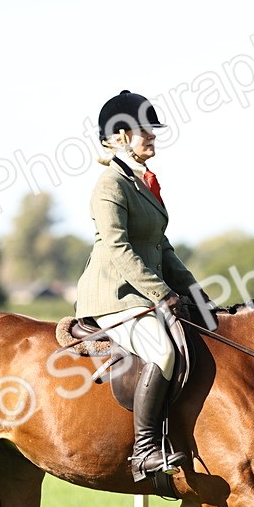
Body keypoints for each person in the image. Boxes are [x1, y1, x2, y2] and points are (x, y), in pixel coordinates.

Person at [75, 90, 205, 482]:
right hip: (114, 296)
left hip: (141, 294)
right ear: (119, 137)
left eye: (151, 129)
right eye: (143, 129)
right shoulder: (110, 185)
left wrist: (196, 293)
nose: (152, 135)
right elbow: (119, 248)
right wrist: (161, 293)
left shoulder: (141, 183)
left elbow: (161, 247)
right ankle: (144, 451)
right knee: (162, 352)